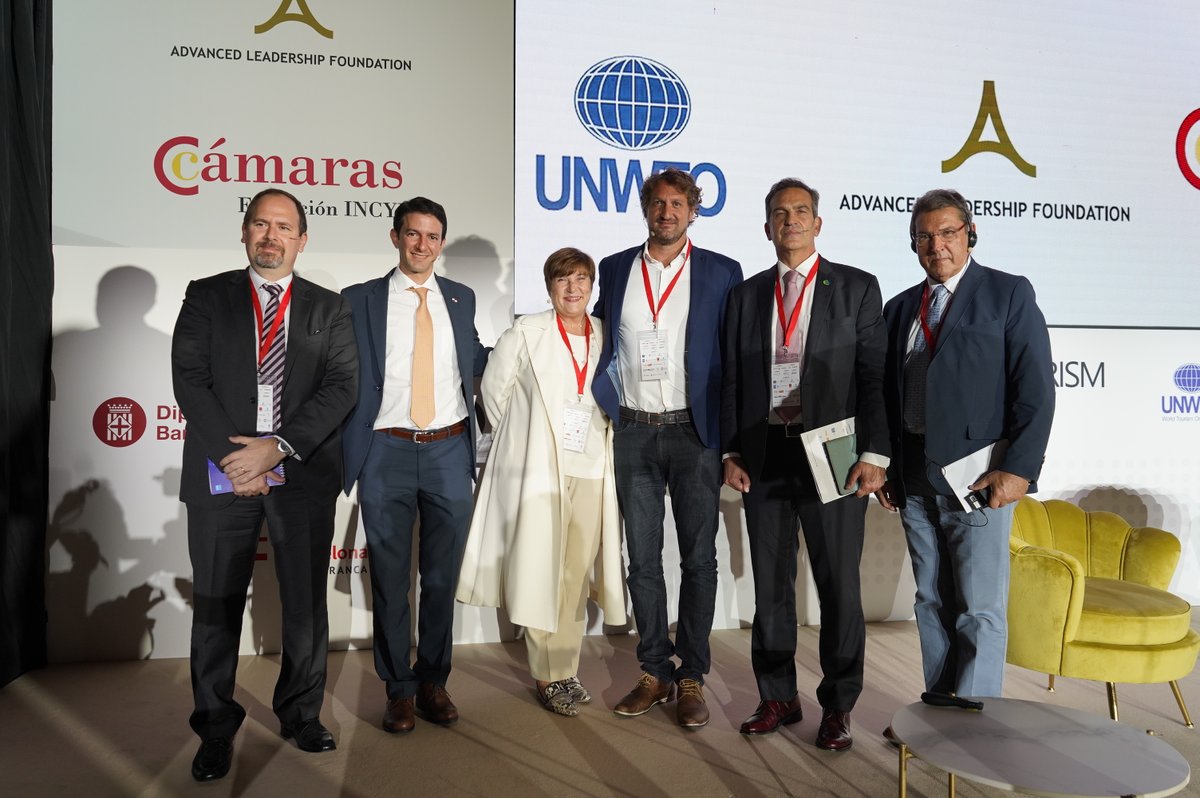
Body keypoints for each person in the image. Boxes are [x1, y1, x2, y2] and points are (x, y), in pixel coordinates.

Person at [172, 188, 358, 781]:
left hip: (300, 471)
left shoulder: (329, 308)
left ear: (302, 240)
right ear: (245, 232)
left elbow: (342, 386)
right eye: (260, 224)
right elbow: (189, 378)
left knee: (304, 602)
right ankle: (214, 727)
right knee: (216, 603)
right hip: (222, 469)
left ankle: (302, 713)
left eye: (283, 227)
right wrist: (238, 460)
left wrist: (276, 448)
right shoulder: (207, 296)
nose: (271, 236)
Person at [721, 178, 889, 751]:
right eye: (779, 212)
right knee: (770, 586)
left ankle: (838, 706)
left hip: (835, 453)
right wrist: (730, 450)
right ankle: (778, 697)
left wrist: (874, 454)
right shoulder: (746, 295)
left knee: (839, 585)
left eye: (800, 211)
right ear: (767, 226)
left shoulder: (857, 287)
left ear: (817, 223)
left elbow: (873, 378)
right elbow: (732, 379)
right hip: (764, 453)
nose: (789, 220)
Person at [875, 189, 1054, 721]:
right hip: (913, 480)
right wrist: (885, 467)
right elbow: (885, 395)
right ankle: (940, 712)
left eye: (948, 232)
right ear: (913, 244)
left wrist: (1019, 469)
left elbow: (1035, 390)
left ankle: (978, 722)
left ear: (970, 234)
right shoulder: (899, 308)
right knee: (930, 601)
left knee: (979, 608)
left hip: (979, 481)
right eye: (924, 236)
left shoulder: (1008, 293)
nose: (937, 245)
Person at [592, 167, 742, 728]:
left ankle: (692, 675)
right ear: (645, 209)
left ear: (693, 210)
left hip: (694, 435)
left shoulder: (722, 272)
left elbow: (733, 362)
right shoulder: (614, 268)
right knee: (643, 560)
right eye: (658, 202)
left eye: (678, 203)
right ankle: (654, 671)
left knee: (699, 560)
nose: (667, 212)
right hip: (633, 431)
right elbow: (598, 342)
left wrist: (730, 445)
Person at [457, 247, 627, 717]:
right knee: (540, 569)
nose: (572, 288)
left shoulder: (606, 334)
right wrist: (524, 445)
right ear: (550, 287)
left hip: (592, 469)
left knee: (574, 576)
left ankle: (565, 667)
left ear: (592, 286)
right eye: (562, 280)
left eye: (581, 279)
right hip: (538, 472)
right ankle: (547, 674)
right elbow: (494, 399)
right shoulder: (525, 332)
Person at [341, 197, 488, 735]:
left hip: (449, 449)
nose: (422, 245)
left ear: (441, 243)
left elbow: (475, 358)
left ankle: (433, 681)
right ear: (395, 237)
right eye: (412, 234)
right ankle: (398, 689)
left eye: (432, 236)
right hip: (387, 450)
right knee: (389, 577)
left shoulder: (461, 297)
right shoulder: (359, 299)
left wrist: (533, 342)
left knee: (442, 578)